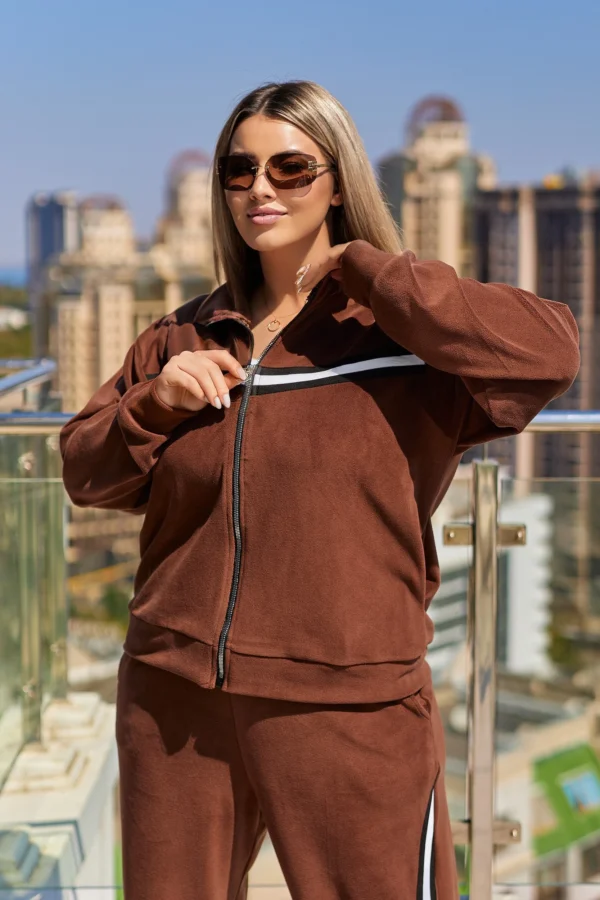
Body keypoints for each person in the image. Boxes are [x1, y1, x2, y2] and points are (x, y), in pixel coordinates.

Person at [59, 80, 580, 900]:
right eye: (239, 170)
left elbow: (551, 352)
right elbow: (84, 472)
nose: (260, 188)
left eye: (291, 167)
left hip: (348, 702)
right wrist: (155, 403)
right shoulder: (181, 335)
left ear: (339, 182)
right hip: (173, 693)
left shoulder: (405, 342)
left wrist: (368, 271)